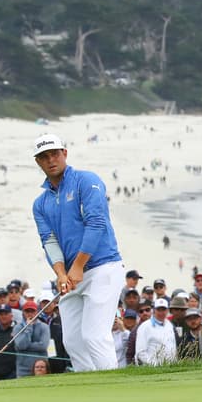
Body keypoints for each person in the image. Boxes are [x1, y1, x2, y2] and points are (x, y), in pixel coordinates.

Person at [31, 133, 125, 371]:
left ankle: (113, 391)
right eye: (44, 157)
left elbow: (96, 223)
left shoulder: (86, 181)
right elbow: (49, 240)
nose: (51, 160)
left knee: (95, 336)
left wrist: (78, 266)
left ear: (65, 154)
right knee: (72, 340)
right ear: (38, 162)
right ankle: (89, 390)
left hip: (103, 267)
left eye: (55, 154)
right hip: (72, 276)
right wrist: (61, 273)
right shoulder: (40, 203)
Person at [134, 298, 177, 366]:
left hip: (170, 367)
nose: (161, 312)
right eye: (159, 310)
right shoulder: (145, 326)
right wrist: (155, 365)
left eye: (163, 309)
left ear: (167, 310)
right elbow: (140, 353)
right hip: (151, 369)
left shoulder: (169, 325)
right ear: (154, 310)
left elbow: (173, 346)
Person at [13, 300, 51, 377]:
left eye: (32, 311)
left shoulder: (44, 327)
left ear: (37, 312)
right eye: (27, 311)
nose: (30, 314)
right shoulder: (18, 327)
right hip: (23, 368)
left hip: (40, 368)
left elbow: (43, 346)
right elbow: (21, 345)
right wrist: (28, 328)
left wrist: (27, 346)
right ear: (23, 312)